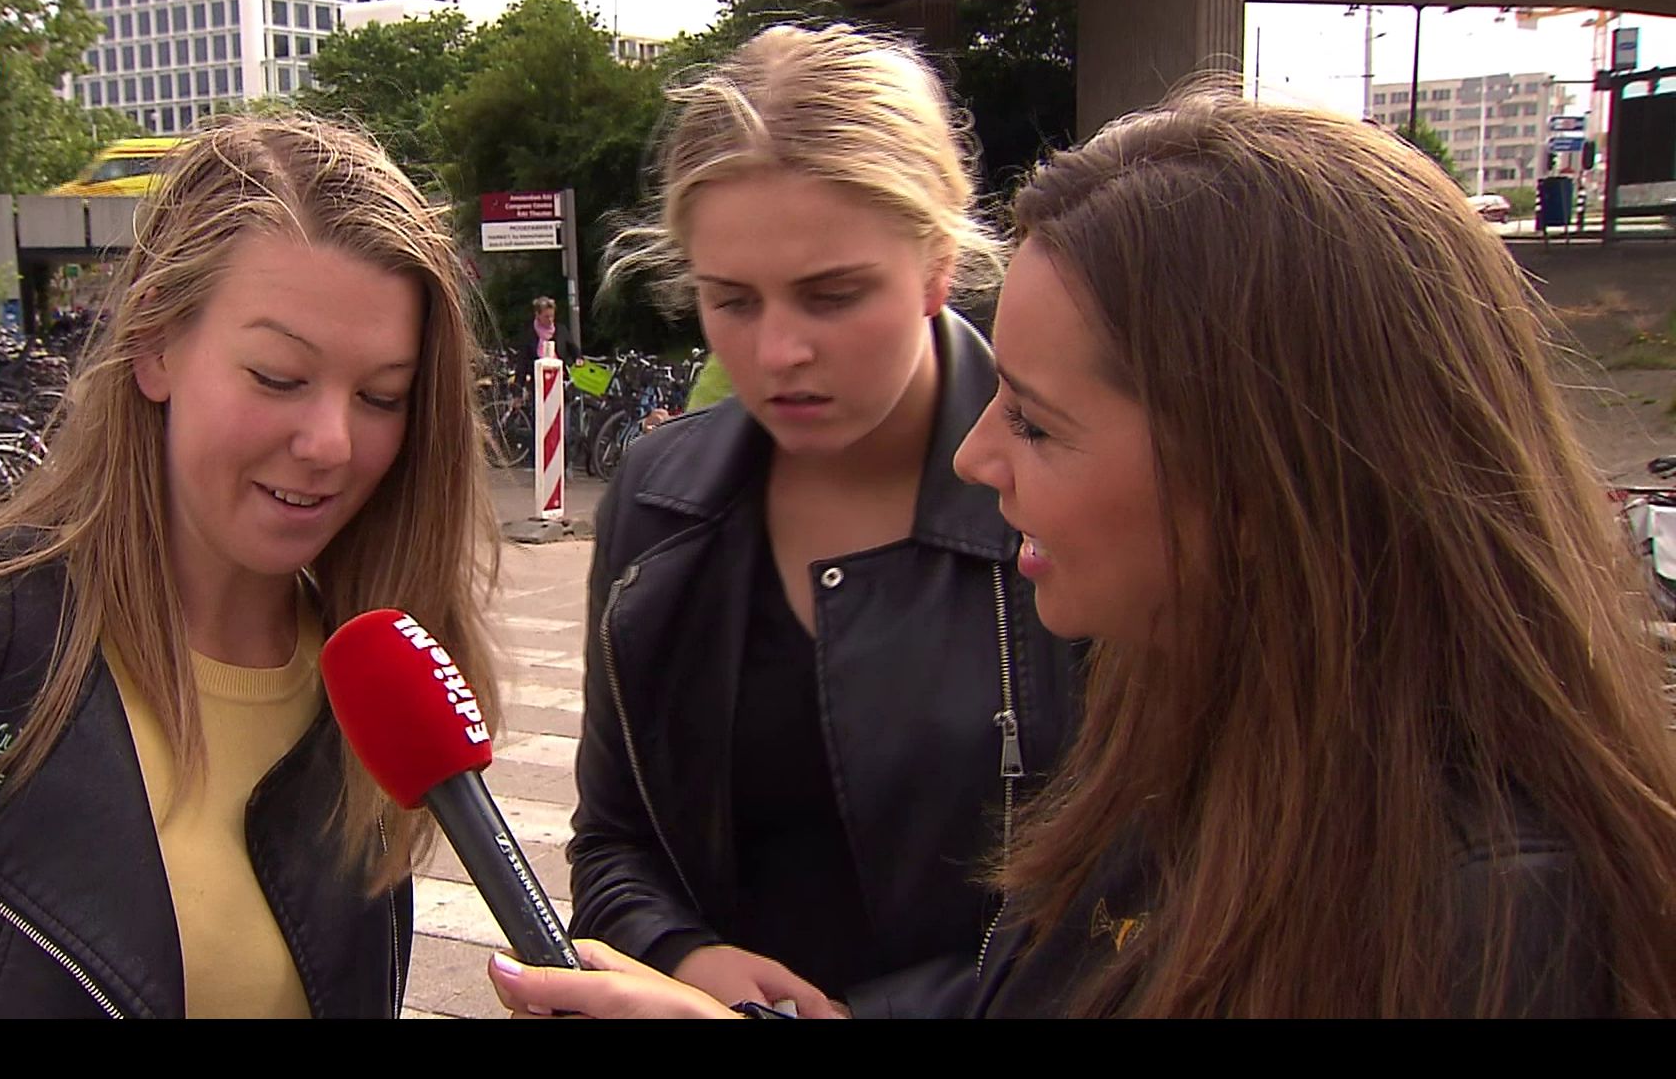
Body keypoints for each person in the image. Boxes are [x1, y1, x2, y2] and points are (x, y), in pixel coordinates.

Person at [491, 83, 1676, 1018]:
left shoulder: (1491, 912)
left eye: (1040, 421)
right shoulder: (1210, 720)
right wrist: (689, 966)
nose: (979, 459)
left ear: (1266, 476)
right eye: (731, 298)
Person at [0, 113, 507, 1018]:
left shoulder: (373, 692)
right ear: (154, 344)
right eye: (278, 377)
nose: (330, 443)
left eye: (381, 397)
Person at [561, 23, 1082, 1020]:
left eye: (832, 296)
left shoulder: (1071, 492)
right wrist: (680, 952)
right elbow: (615, 842)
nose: (779, 352)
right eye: (732, 301)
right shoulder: (658, 498)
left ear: (937, 263)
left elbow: (1140, 902)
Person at [514, 295, 578, 389]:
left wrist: (578, 359)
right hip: (538, 382)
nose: (550, 320)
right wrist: (518, 388)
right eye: (546, 317)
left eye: (552, 316)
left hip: (560, 379)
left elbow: (573, 348)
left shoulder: (561, 330)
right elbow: (522, 362)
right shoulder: (529, 334)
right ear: (537, 315)